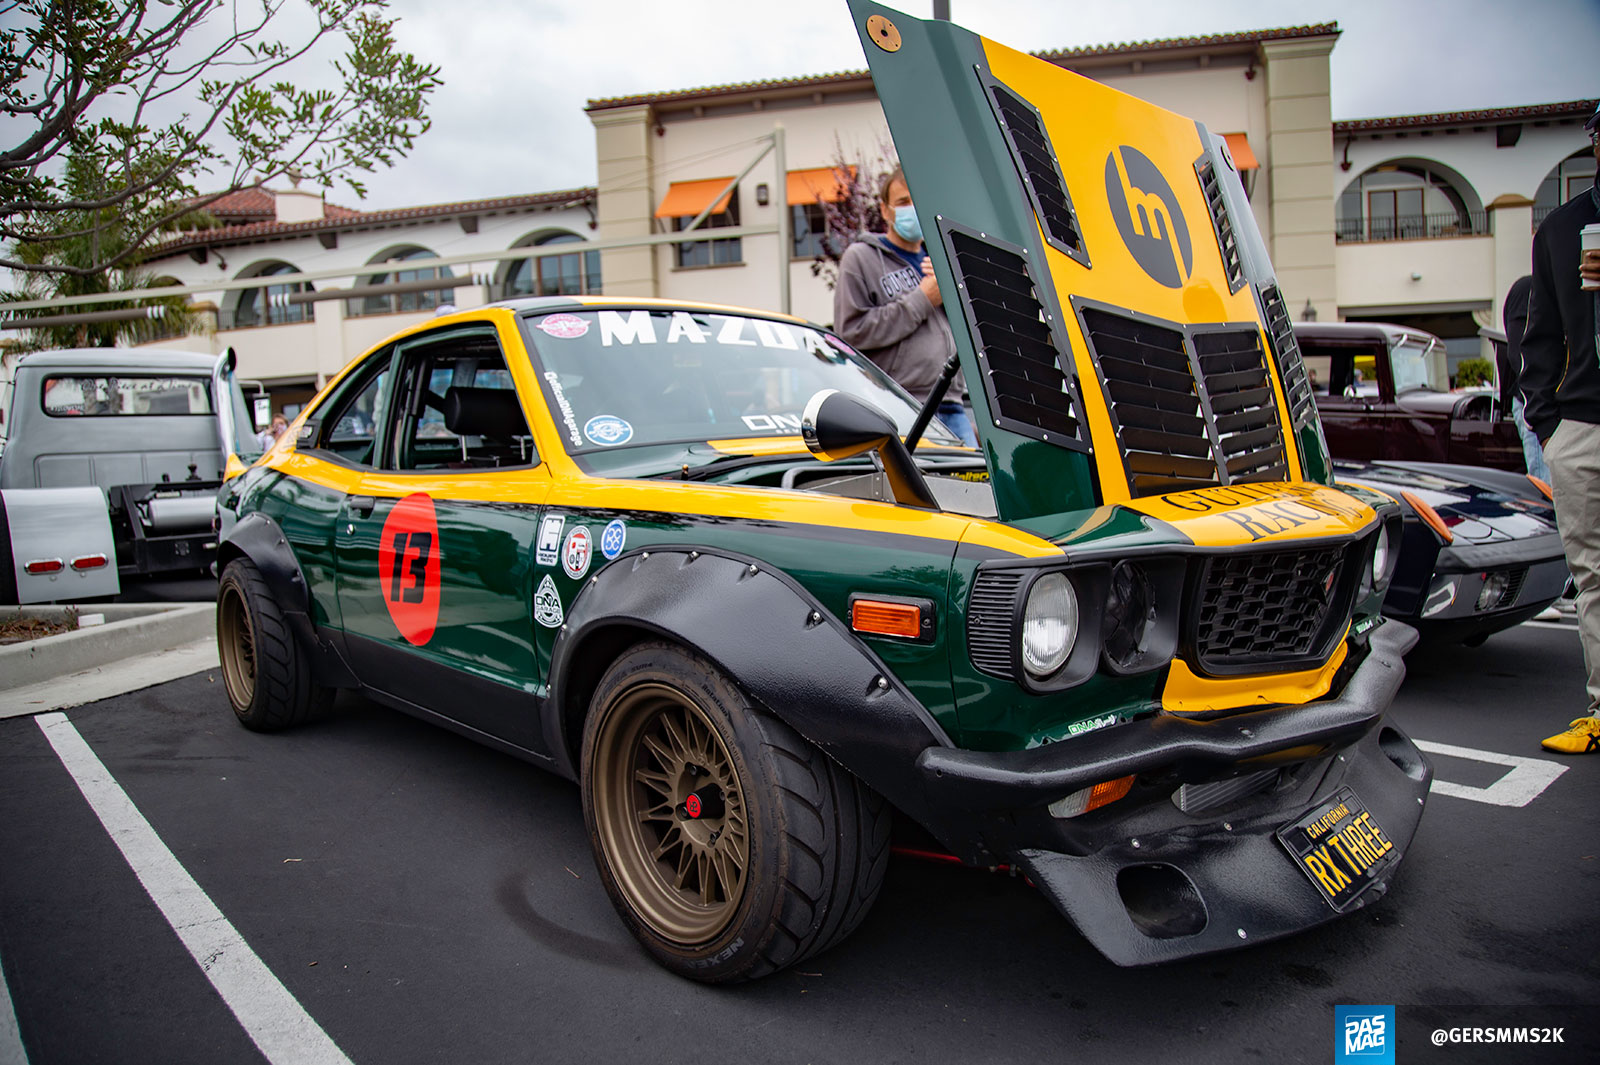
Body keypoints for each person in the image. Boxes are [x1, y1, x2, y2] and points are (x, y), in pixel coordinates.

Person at [1520, 104, 1600, 754]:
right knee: (1594, 574)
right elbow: (1540, 336)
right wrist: (1549, 425)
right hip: (1582, 426)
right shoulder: (1563, 229)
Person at [832, 166, 978, 447]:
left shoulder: (940, 261)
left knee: (976, 487)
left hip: (953, 403)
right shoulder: (861, 258)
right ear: (885, 211)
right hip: (899, 405)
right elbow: (851, 334)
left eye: (918, 202)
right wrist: (924, 298)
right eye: (902, 203)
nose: (912, 209)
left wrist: (953, 293)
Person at [1500, 275, 1549, 482]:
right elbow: (1517, 354)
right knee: (1544, 486)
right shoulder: (1526, 289)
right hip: (1534, 403)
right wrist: (1538, 405)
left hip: (1549, 405)